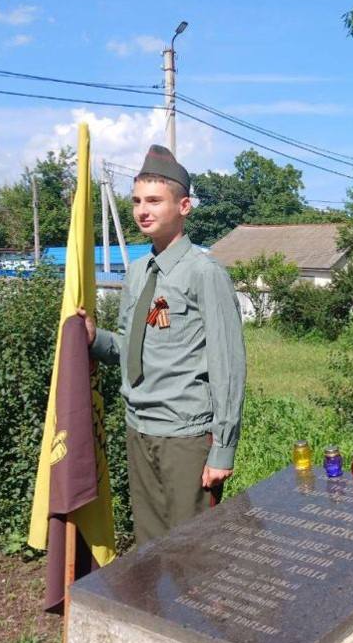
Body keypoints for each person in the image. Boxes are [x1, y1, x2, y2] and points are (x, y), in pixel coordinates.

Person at [81, 145, 246, 545]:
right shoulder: (137, 273)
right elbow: (130, 348)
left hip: (185, 437)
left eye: (154, 200)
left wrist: (222, 449)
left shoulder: (204, 273)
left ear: (184, 206)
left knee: (196, 552)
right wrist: (93, 339)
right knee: (150, 550)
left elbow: (228, 365)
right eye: (137, 201)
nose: (142, 210)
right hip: (139, 429)